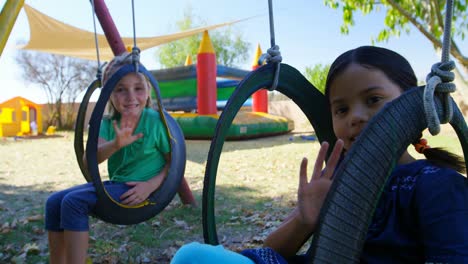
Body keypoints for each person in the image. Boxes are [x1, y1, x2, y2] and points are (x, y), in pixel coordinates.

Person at [171, 46, 468, 264]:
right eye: (342, 109)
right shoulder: (337, 181)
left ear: (409, 104)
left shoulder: (436, 185)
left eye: (373, 100)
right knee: (191, 256)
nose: (356, 116)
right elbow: (274, 251)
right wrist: (304, 220)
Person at [45, 52, 171, 264]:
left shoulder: (155, 121)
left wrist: (150, 185)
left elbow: (173, 164)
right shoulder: (108, 123)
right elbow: (89, 161)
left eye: (138, 88)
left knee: (73, 202)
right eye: (120, 89)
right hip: (116, 186)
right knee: (53, 202)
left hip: (139, 191)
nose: (131, 96)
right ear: (109, 95)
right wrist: (115, 144)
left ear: (148, 90)